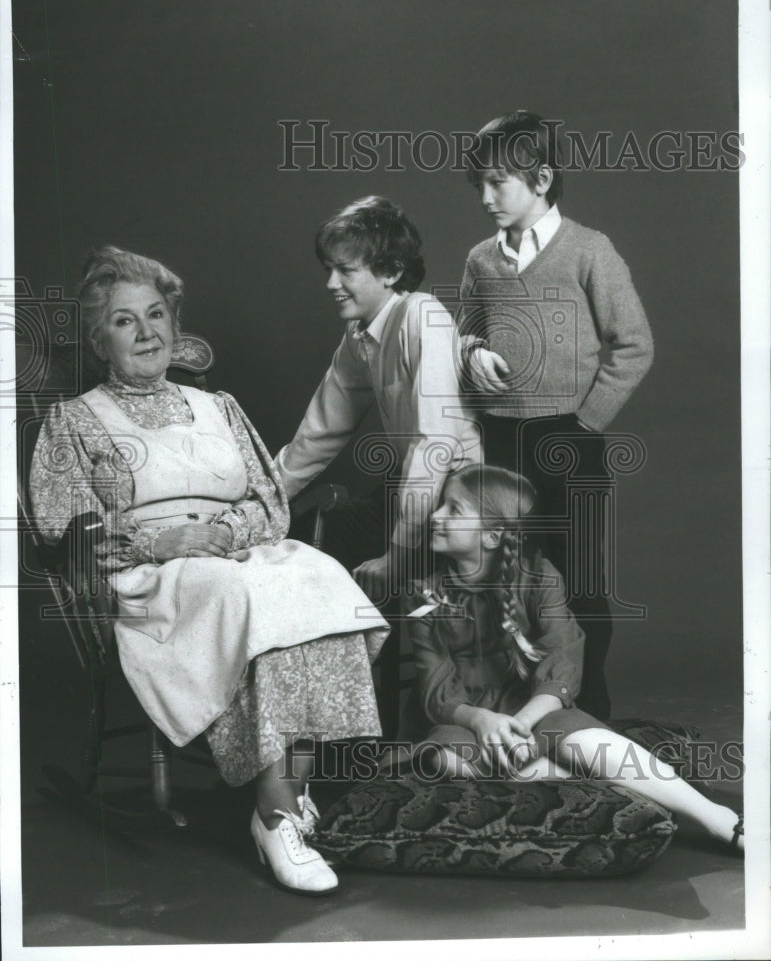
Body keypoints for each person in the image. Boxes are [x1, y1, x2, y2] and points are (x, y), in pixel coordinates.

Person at [29, 246, 391, 897]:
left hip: (232, 552)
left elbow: (269, 503)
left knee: (317, 576)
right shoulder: (76, 420)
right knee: (244, 594)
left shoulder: (218, 406)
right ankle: (276, 813)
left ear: (174, 324)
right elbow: (67, 533)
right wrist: (160, 541)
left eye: (157, 315)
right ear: (98, 339)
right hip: (155, 581)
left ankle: (291, 785)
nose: (146, 332)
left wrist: (220, 532)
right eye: (124, 321)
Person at [398, 464, 742, 852]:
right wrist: (481, 720)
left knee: (586, 739)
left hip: (535, 711)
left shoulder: (540, 577)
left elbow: (564, 657)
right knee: (445, 759)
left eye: (453, 509)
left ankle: (717, 818)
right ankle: (602, 786)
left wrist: (521, 724)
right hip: (463, 719)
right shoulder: (422, 593)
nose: (435, 516)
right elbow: (435, 682)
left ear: (492, 536)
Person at [458, 111, 655, 719]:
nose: (487, 198)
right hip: (499, 439)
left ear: (541, 178)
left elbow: (634, 345)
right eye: (480, 186)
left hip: (569, 437)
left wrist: (585, 425)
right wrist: (472, 354)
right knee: (505, 575)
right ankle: (523, 704)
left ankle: (588, 702)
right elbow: (463, 333)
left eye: (499, 183)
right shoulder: (479, 261)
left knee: (579, 579)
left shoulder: (589, 251)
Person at [274, 195, 481, 604]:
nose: (331, 283)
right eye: (328, 270)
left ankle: (367, 656)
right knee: (302, 534)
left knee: (355, 564)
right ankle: (343, 664)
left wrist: (397, 557)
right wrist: (261, 499)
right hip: (414, 485)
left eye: (345, 270)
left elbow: (433, 447)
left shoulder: (423, 316)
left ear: (390, 272)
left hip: (462, 499)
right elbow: (319, 433)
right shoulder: (358, 334)